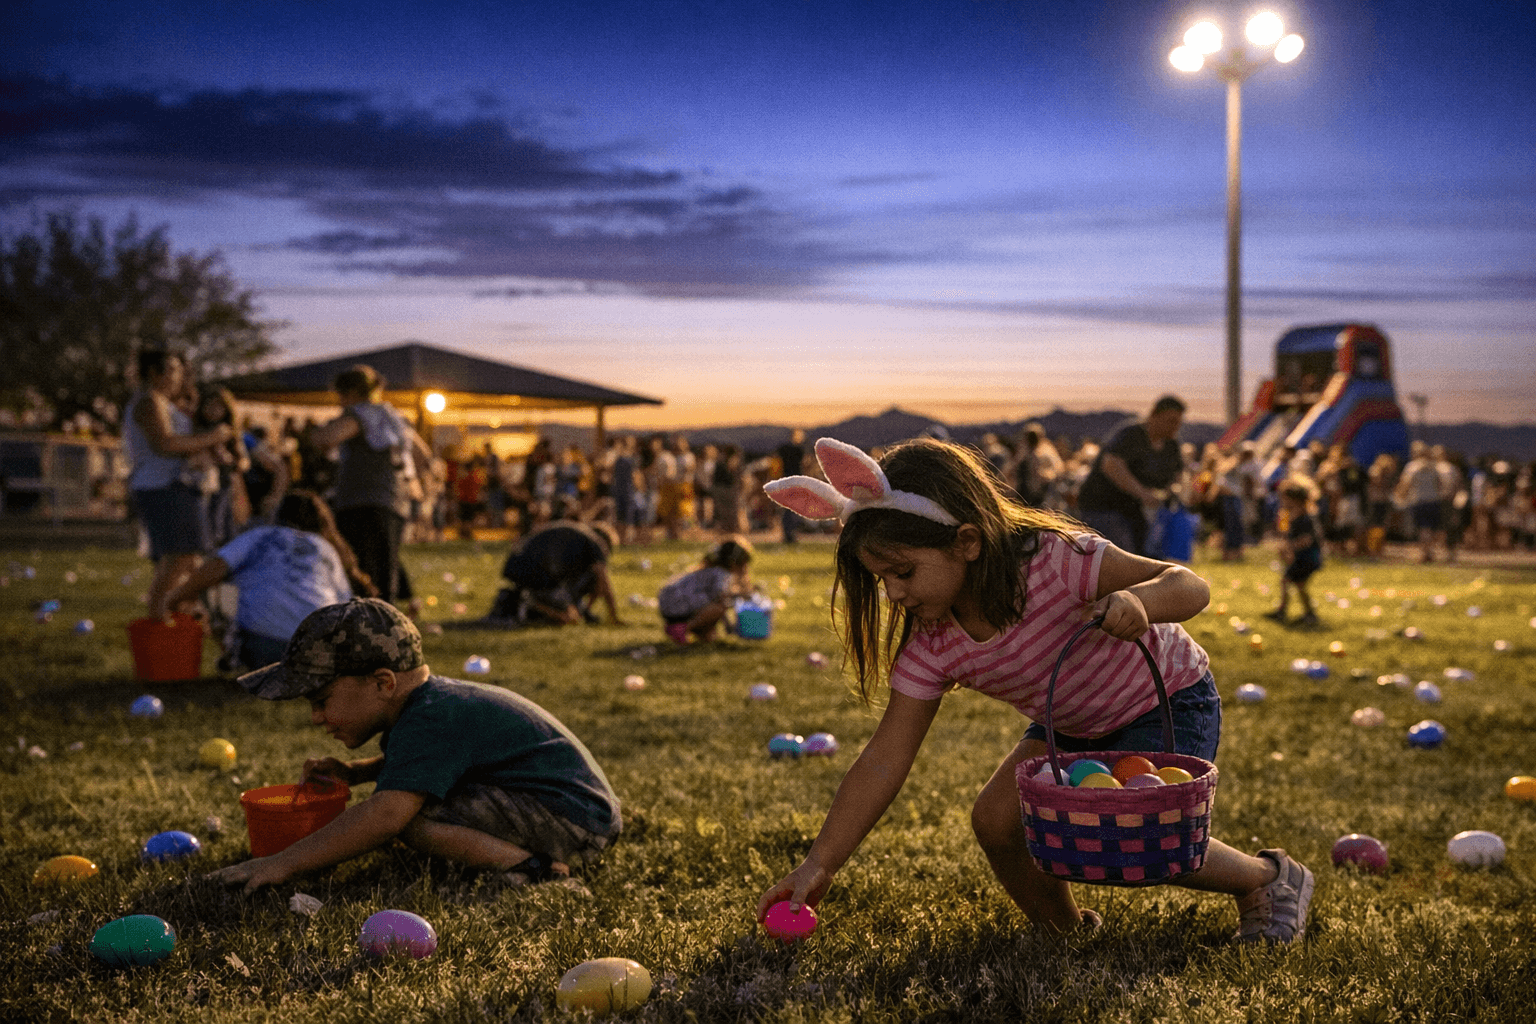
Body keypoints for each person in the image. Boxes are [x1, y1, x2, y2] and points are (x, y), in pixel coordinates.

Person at [754, 436, 1313, 942]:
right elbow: (885, 758)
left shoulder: (1055, 562)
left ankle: (1269, 878)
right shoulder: (932, 641)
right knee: (997, 822)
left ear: (967, 542)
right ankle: (1066, 934)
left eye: (904, 572)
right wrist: (819, 863)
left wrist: (1143, 603)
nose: (895, 594)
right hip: (1070, 721)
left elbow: (1188, 583)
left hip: (1164, 698)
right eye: (883, 580)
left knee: (1140, 838)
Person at [207, 599, 622, 892]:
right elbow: (440, 762)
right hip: (567, 805)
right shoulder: (426, 707)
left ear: (383, 683)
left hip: (574, 819)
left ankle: (536, 872)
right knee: (407, 805)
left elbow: (385, 816)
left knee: (410, 818)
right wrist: (357, 773)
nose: (316, 717)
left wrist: (284, 862)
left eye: (321, 701)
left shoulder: (430, 716)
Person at [156, 490, 376, 669]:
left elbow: (211, 570)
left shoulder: (262, 535)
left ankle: (232, 656)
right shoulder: (325, 549)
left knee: (219, 588)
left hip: (266, 648)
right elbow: (344, 607)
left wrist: (173, 599)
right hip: (319, 653)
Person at [123, 349, 236, 616]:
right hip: (161, 486)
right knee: (180, 557)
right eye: (173, 370)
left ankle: (180, 618)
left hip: (175, 486)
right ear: (153, 372)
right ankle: (158, 618)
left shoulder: (163, 402)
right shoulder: (148, 401)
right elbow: (164, 444)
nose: (179, 376)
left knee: (189, 559)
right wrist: (213, 437)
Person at [310, 365, 435, 604]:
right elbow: (423, 456)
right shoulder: (392, 417)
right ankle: (386, 625)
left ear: (351, 392)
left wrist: (315, 433)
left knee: (361, 570)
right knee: (386, 569)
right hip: (393, 502)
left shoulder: (361, 415)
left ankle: (366, 625)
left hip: (361, 502)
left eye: (341, 395)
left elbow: (328, 439)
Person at [1075, 396, 1187, 556]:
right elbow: (1111, 464)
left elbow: (1177, 476)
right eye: (1171, 421)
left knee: (1148, 557)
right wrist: (1143, 493)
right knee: (1123, 558)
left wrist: (1174, 493)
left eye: (1178, 422)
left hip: (1136, 512)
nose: (1175, 427)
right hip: (1104, 509)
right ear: (1154, 415)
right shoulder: (1131, 435)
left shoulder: (1171, 446)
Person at [486, 521, 623, 626]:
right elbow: (603, 583)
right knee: (568, 617)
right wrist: (614, 617)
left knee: (568, 611)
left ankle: (521, 602)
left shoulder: (577, 539)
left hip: (518, 564)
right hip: (534, 571)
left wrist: (585, 610)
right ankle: (526, 602)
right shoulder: (596, 543)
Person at [656, 536, 754, 645]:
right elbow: (720, 598)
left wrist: (728, 626)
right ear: (734, 563)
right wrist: (741, 595)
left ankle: (685, 630)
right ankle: (681, 629)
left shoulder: (710, 571)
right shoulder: (721, 574)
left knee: (710, 636)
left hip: (671, 607)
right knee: (720, 607)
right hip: (678, 608)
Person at [1264, 484, 1323, 627]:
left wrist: (1290, 547)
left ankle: (1283, 611)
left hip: (1308, 558)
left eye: (1284, 499)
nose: (1282, 502)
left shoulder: (1305, 518)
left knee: (1287, 581)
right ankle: (1309, 614)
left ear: (1295, 500)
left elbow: (1307, 540)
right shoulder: (1295, 516)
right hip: (1305, 558)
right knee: (1299, 585)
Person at [776, 429, 807, 542]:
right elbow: (804, 466)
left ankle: (787, 534)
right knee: (794, 508)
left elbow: (776, 463)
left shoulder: (783, 449)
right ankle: (791, 534)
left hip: (785, 480)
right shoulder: (799, 450)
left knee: (786, 508)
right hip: (796, 481)